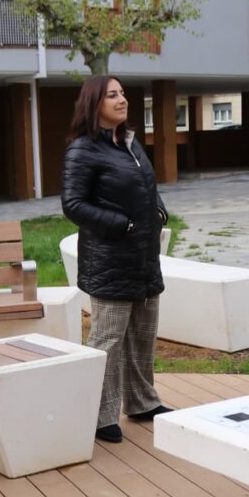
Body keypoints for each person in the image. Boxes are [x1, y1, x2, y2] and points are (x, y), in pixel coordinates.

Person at [61, 76, 171, 444]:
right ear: (94, 104)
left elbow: (147, 189)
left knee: (143, 336)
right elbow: (73, 204)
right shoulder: (83, 149)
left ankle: (142, 402)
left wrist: (159, 213)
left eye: (122, 93)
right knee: (108, 340)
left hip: (143, 259)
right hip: (110, 260)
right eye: (112, 95)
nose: (122, 100)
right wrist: (122, 225)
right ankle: (101, 415)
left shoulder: (129, 143)